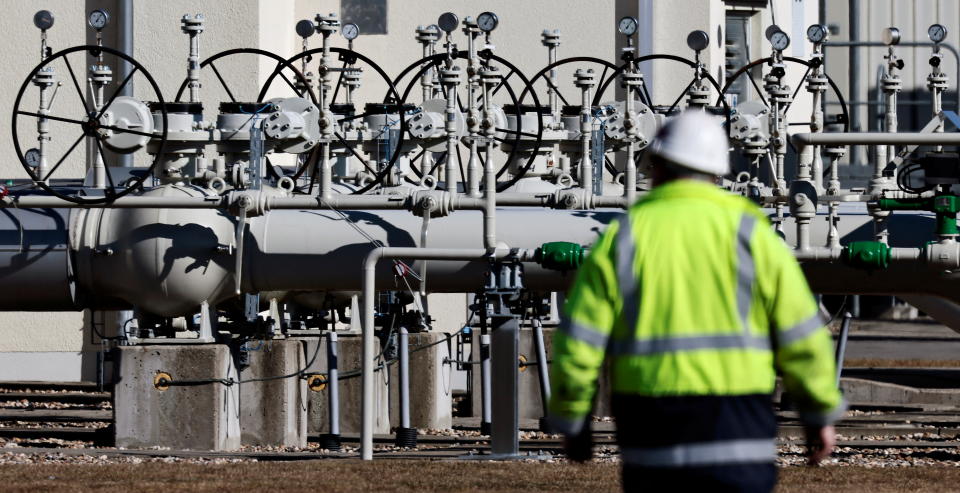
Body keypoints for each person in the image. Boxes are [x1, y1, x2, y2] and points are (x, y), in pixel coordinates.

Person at [548, 111, 846, 492]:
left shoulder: (624, 237)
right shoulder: (750, 231)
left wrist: (573, 420)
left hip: (652, 430)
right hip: (738, 426)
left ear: (656, 166)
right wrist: (819, 412)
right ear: (717, 171)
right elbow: (800, 333)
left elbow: (580, 340)